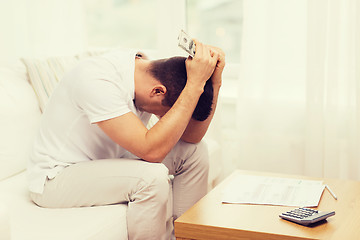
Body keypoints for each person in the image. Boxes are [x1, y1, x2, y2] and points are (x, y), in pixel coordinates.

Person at [27, 39, 225, 240]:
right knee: (151, 177)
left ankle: (188, 237)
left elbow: (192, 137)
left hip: (107, 160)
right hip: (55, 179)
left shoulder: (143, 70)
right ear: (158, 92)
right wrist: (194, 84)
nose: (166, 120)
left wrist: (214, 81)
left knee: (195, 152)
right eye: (165, 114)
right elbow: (151, 152)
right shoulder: (97, 81)